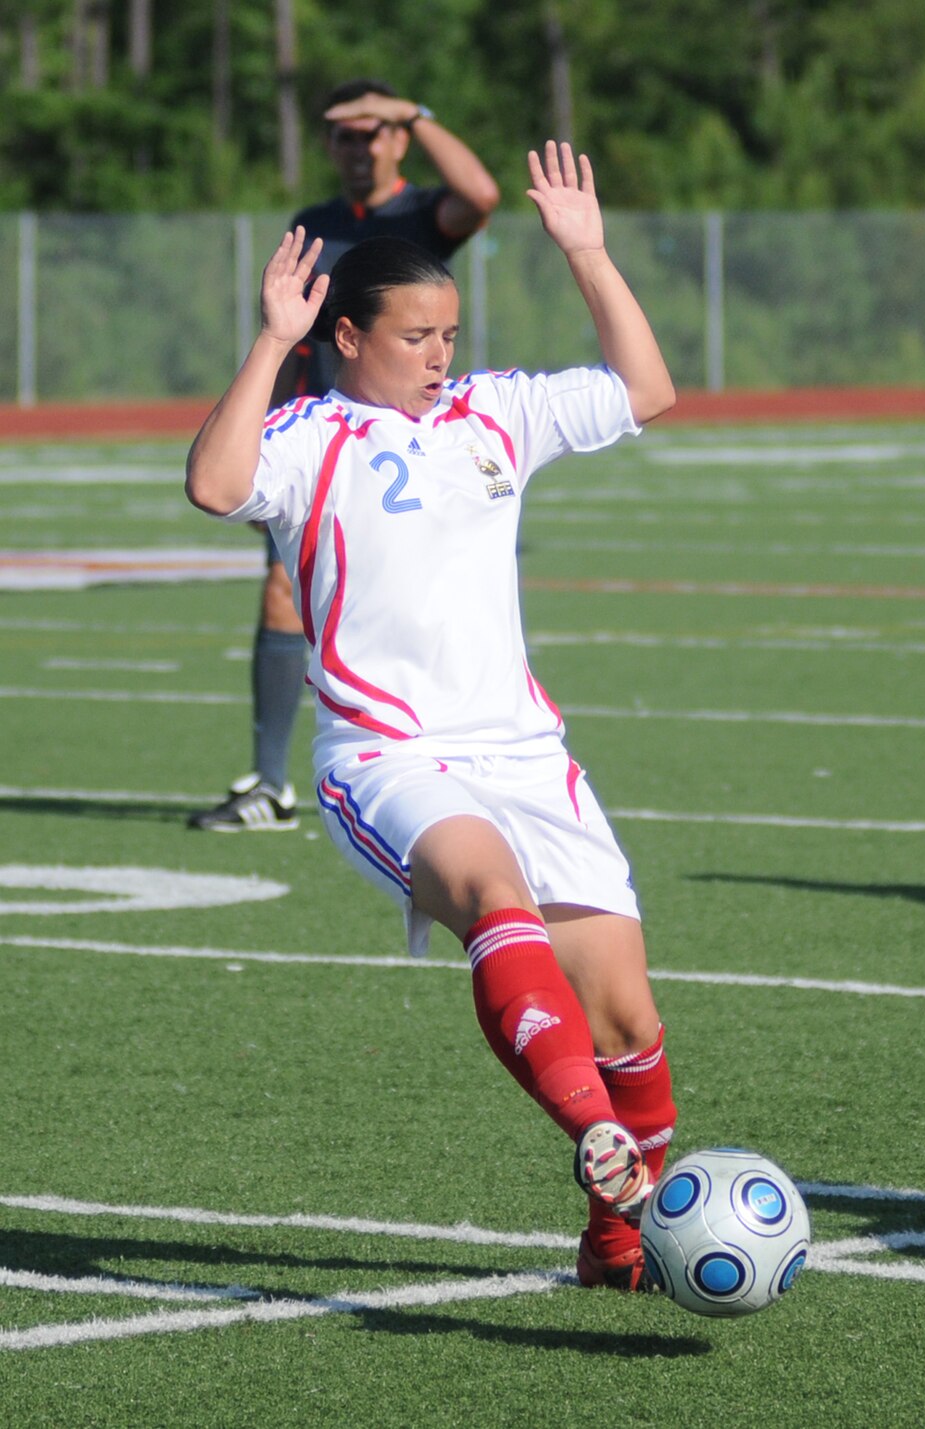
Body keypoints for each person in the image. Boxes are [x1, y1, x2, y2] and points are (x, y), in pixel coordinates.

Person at [185, 142, 679, 1293]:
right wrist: (271, 341)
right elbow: (214, 484)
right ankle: (591, 1139)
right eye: (414, 336)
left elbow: (645, 391)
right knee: (491, 894)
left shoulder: (494, 414)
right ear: (345, 337)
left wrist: (590, 255)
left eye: (448, 335)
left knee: (625, 1017)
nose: (438, 356)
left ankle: (615, 1241)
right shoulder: (304, 441)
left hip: (524, 752)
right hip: (387, 758)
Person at [190, 78, 501, 831]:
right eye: (343, 135)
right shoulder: (316, 222)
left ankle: (451, 760)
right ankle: (270, 782)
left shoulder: (421, 213)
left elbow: (481, 194)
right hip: (321, 439)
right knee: (280, 590)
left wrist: (419, 111)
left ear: (395, 138)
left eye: (372, 132)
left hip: (410, 443)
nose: (358, 148)